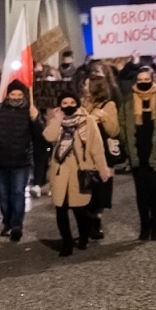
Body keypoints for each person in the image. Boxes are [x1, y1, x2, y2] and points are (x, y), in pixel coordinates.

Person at [43, 91, 111, 257]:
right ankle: (66, 242)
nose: (68, 106)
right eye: (64, 103)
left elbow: (97, 147)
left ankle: (84, 235)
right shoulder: (56, 120)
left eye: (71, 102)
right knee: (61, 209)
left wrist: (102, 168)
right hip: (59, 171)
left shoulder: (87, 121)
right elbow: (48, 136)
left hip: (80, 171)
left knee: (80, 210)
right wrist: (57, 119)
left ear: (77, 103)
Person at [118, 65, 156, 241]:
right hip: (137, 151)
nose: (143, 83)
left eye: (147, 80)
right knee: (141, 192)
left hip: (155, 150)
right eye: (140, 80)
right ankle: (145, 225)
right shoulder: (129, 100)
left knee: (154, 190)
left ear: (153, 80)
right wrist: (126, 143)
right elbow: (122, 124)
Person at [0, 80, 40, 241]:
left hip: (20, 161)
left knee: (17, 193)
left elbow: (39, 136)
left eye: (19, 94)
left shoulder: (28, 112)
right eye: (13, 94)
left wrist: (35, 119)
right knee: (3, 195)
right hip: (0, 160)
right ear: (7, 95)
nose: (16, 97)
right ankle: (7, 222)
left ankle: (17, 224)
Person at [80, 73, 121, 240]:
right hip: (84, 154)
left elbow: (114, 131)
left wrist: (102, 116)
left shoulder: (108, 105)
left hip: (102, 154)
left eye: (87, 84)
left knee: (100, 191)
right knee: (84, 189)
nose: (84, 87)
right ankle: (85, 224)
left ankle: (96, 222)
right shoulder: (81, 104)